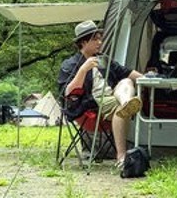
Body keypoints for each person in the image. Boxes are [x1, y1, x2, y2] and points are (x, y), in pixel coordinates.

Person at [58, 20, 143, 166]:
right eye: (95, 39)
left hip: (111, 97)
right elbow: (68, 92)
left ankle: (126, 103)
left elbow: (126, 72)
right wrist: (83, 70)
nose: (100, 42)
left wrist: (149, 79)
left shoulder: (103, 59)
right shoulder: (70, 64)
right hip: (89, 105)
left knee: (127, 82)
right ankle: (121, 155)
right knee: (119, 108)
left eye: (100, 38)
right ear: (83, 43)